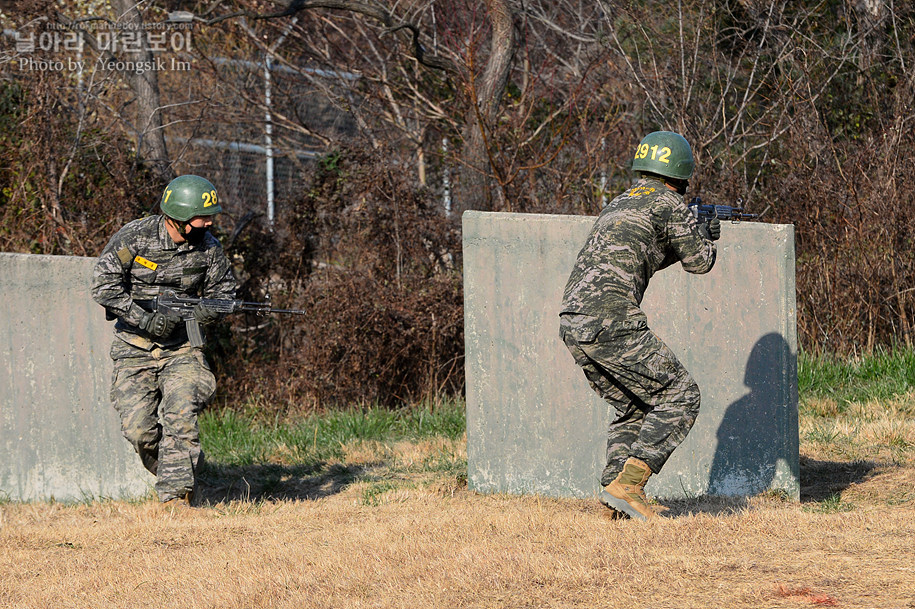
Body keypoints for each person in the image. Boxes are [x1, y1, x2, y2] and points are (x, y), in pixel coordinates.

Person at [558, 131, 720, 520]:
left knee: (633, 407)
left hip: (574, 320)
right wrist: (707, 237)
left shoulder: (619, 203)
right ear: (680, 174)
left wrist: (685, 236)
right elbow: (699, 263)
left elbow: (640, 255)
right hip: (612, 317)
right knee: (681, 395)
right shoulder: (670, 203)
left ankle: (616, 500)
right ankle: (630, 483)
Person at [91, 175, 237, 508]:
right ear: (181, 216)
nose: (210, 222)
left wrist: (202, 314)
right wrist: (144, 318)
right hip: (134, 350)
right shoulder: (135, 238)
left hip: (182, 350)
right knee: (139, 430)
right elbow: (103, 286)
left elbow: (223, 294)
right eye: (204, 216)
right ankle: (180, 471)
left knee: (181, 418)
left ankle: (176, 499)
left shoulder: (209, 248)